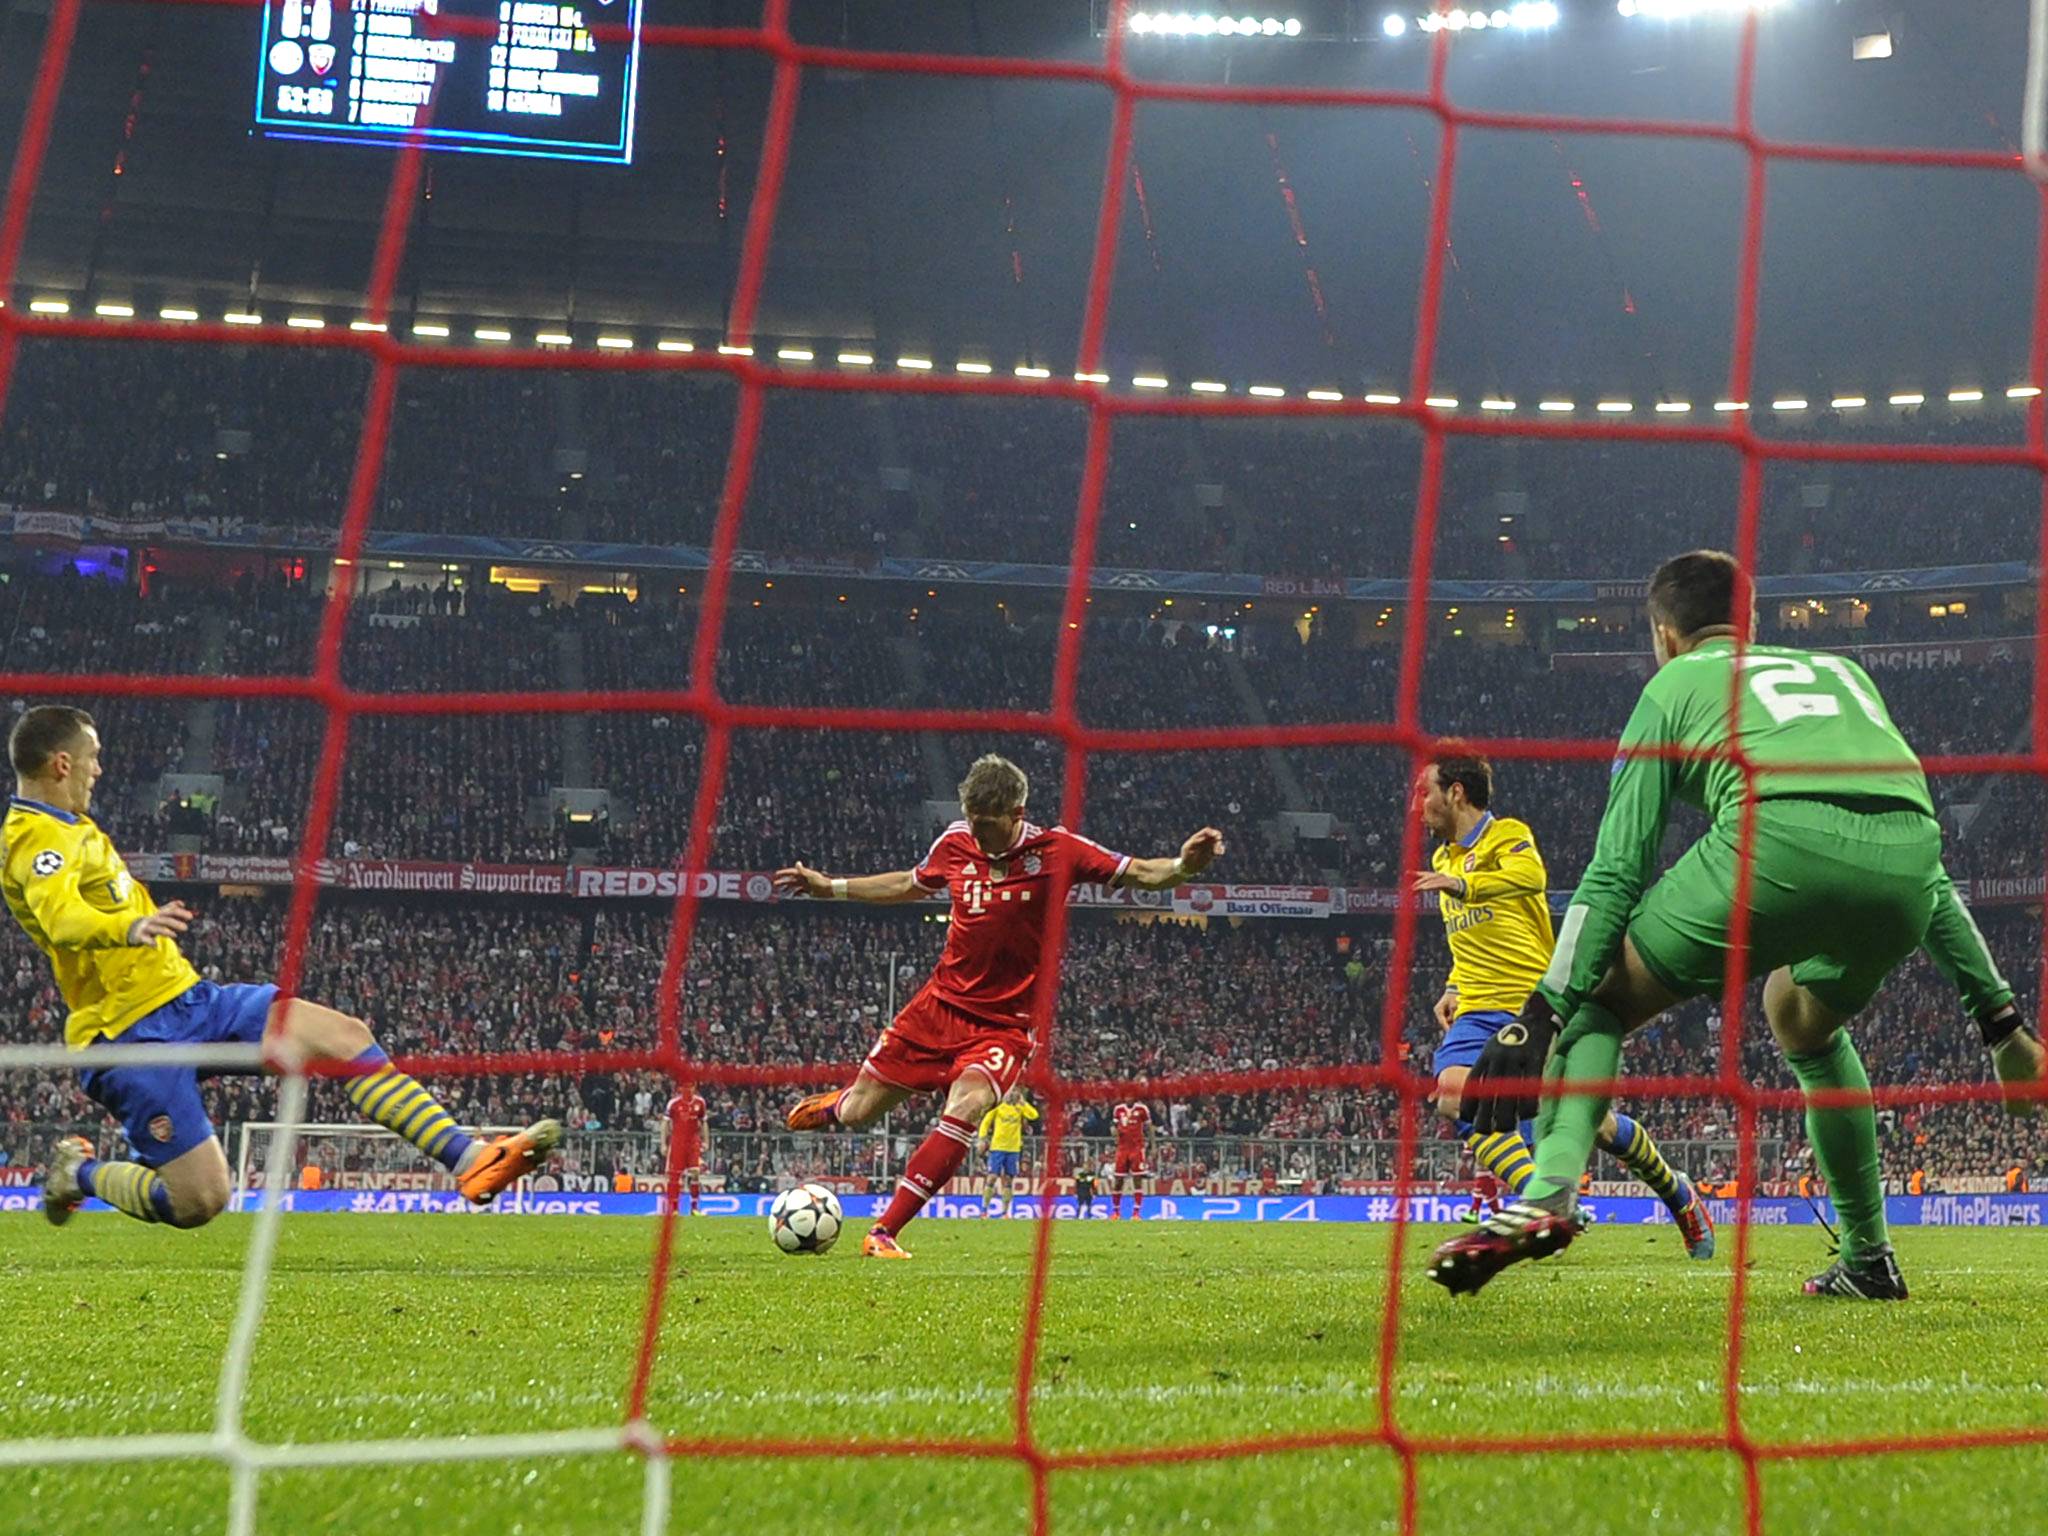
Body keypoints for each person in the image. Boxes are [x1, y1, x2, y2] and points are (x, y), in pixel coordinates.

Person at [1430, 552, 2043, 1299]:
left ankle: (1551, 1188)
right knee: (1800, 1022)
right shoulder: (1846, 676)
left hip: (1773, 844)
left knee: (1599, 1003)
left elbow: (1616, 868)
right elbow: (1927, 864)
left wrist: (1543, 1008)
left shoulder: (1674, 683)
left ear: (1663, 633)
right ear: (1750, 624)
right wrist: (2001, 1025)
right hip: (1908, 865)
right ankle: (1869, 1259)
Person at [8, 706, 557, 1230]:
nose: (98, 769)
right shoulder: (35, 838)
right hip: (129, 1036)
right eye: (93, 756)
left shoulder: (70, 825)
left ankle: (469, 1159)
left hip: (190, 1001)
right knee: (199, 1201)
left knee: (343, 1036)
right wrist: (128, 928)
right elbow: (62, 918)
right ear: (62, 763)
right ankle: (74, 1173)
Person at [778, 753, 1223, 1258]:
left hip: (1004, 1024)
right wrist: (830, 887)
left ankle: (883, 1232)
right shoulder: (955, 843)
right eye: (972, 821)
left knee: (966, 1105)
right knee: (859, 1113)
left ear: (1017, 812)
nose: (978, 834)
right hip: (937, 1006)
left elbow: (1144, 873)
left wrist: (1186, 865)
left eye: (987, 825)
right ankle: (836, 1106)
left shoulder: (1058, 850)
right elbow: (908, 883)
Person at [1412, 752, 1712, 1257]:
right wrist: (1453, 985)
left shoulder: (1506, 835)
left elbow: (1529, 877)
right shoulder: (1442, 859)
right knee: (1450, 1092)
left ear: (1456, 792)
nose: (1419, 803)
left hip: (1532, 1006)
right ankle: (1543, 1205)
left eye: (1426, 791)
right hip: (1477, 1009)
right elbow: (1472, 939)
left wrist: (1466, 884)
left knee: (1590, 1121)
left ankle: (1675, 1190)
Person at [976, 1085, 1038, 1219]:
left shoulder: (1020, 1108)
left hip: (1013, 1149)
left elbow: (1034, 1115)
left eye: (1016, 1091)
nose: (1013, 1093)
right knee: (992, 1177)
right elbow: (986, 1122)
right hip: (997, 1147)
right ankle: (984, 1210)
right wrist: (982, 1138)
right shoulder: (998, 1107)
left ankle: (1005, 1213)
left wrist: (1024, 1103)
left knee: (1009, 1180)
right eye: (1011, 1091)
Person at [661, 1088, 708, 1215]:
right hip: (677, 1143)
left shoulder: (700, 1103)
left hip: (693, 1143)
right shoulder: (673, 1103)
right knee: (675, 1175)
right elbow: (665, 1123)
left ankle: (694, 1208)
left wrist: (706, 1141)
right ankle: (674, 1209)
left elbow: (703, 1122)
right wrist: (663, 1144)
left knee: (695, 1173)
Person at [1110, 1099, 1151, 1220]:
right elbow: (1113, 1126)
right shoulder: (1118, 1109)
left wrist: (1152, 1145)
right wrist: (1114, 1134)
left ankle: (1136, 1213)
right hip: (1122, 1149)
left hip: (1137, 1148)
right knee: (1118, 1181)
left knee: (1137, 1180)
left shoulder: (1142, 1109)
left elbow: (1149, 1127)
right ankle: (1116, 1212)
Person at [1072, 1153, 1098, 1218]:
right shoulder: (1080, 1175)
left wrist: (1094, 1193)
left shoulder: (1092, 1174)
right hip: (1080, 1192)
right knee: (1079, 1205)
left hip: (1088, 1192)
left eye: (1087, 1166)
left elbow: (1094, 1184)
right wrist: (1075, 1193)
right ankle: (1077, 1216)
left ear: (1089, 1167)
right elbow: (1076, 1184)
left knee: (1089, 1205)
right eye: (1084, 1166)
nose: (1085, 1167)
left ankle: (1089, 1216)